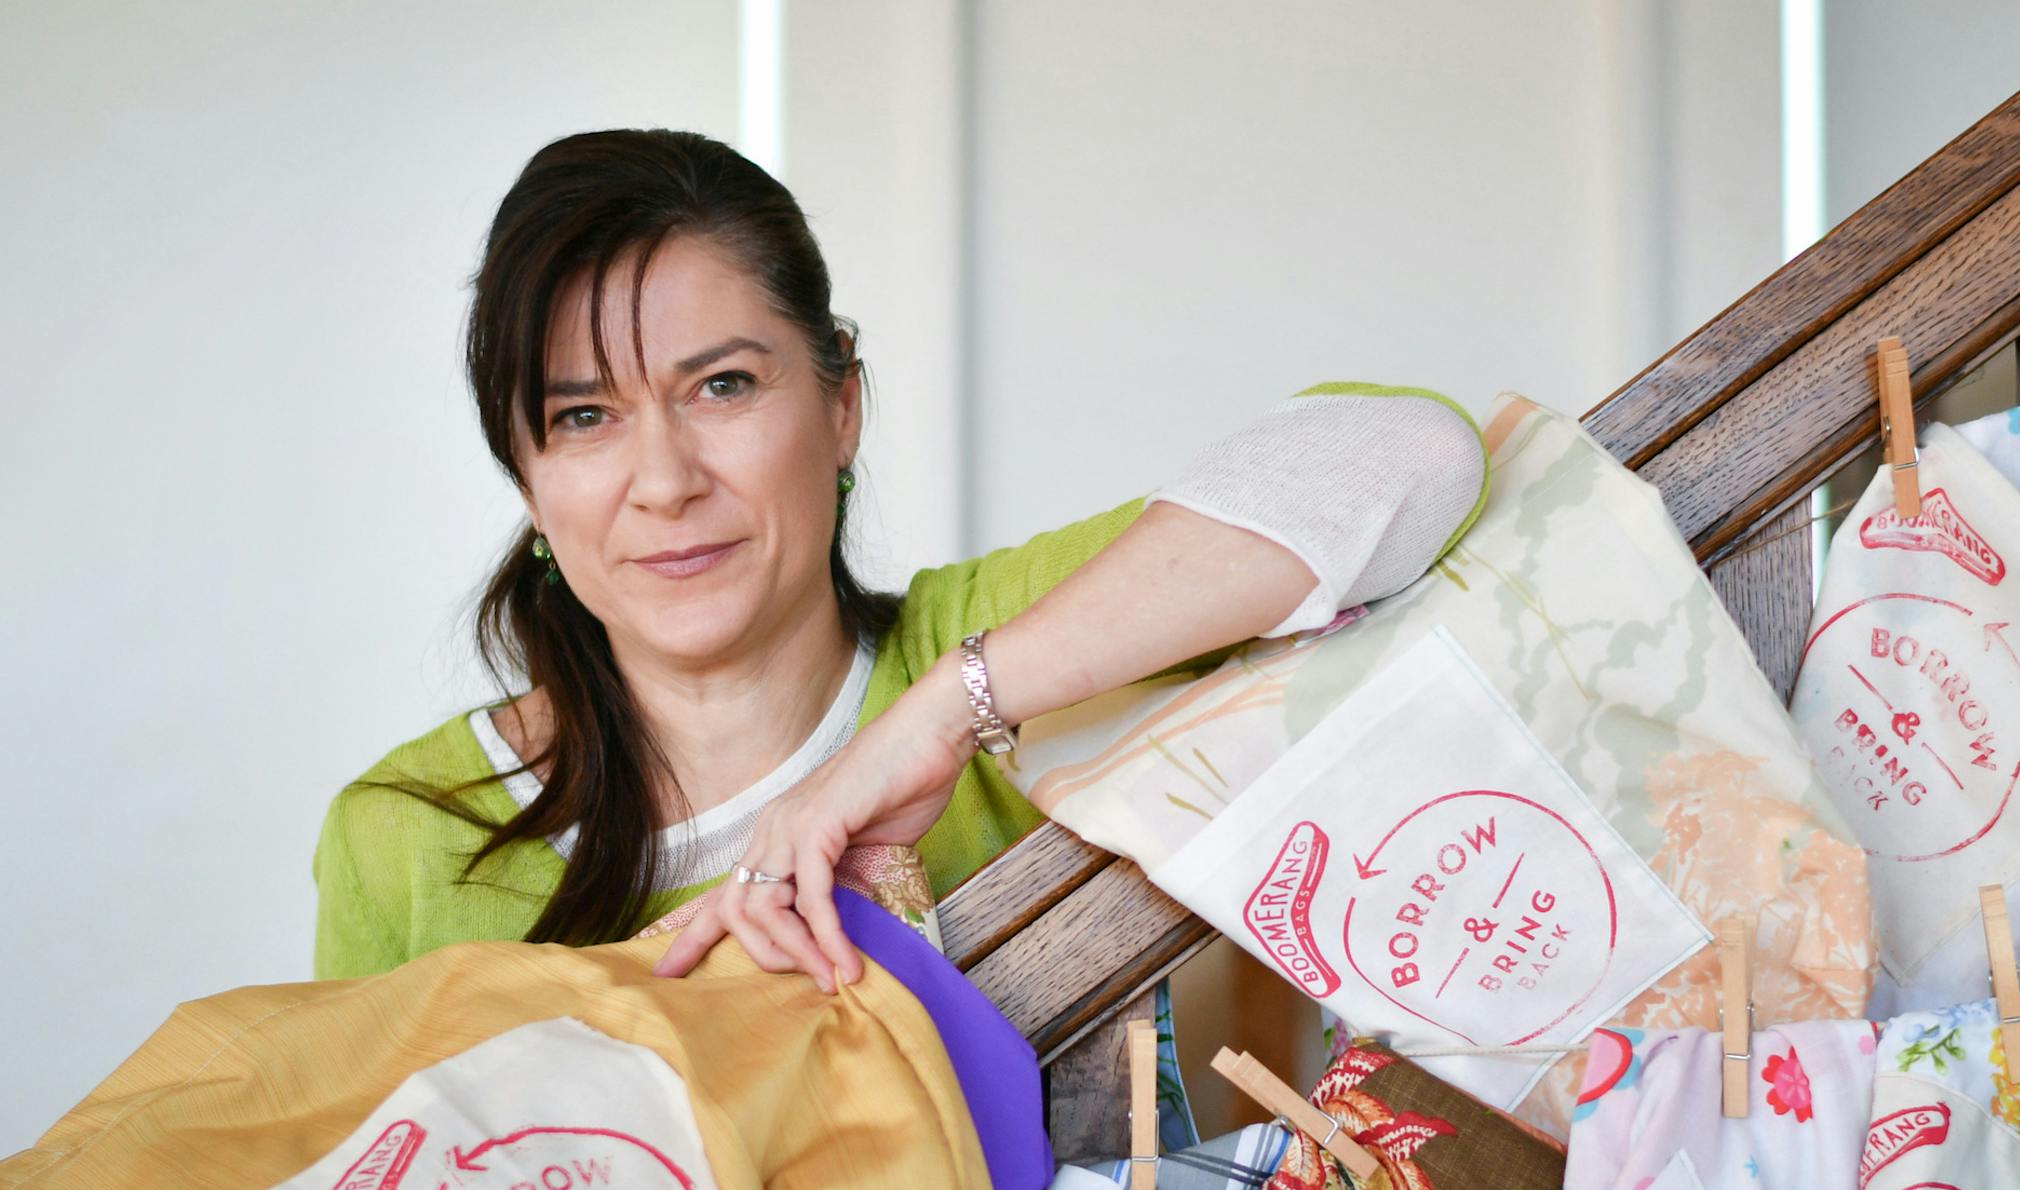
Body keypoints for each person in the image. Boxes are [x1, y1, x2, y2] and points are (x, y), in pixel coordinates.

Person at [315, 127, 1488, 990]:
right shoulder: (407, 843)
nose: (664, 480)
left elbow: (1413, 455)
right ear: (527, 481)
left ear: (841, 410)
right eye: (584, 416)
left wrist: (938, 717)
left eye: (723, 385)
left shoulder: (997, 649)